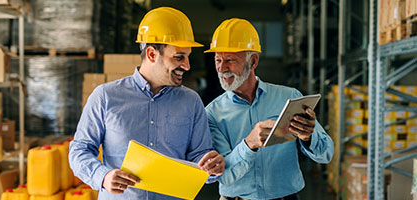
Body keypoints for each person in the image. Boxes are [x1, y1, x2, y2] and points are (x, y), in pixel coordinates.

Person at [69, 7, 225, 200]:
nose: (187, 66)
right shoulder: (105, 97)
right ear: (151, 54)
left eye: (188, 56)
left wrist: (210, 166)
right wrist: (103, 176)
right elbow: (79, 150)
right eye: (179, 57)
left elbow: (199, 157)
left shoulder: (191, 102)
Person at [204, 18, 334, 200]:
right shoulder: (212, 113)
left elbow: (326, 154)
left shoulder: (289, 97)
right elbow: (225, 176)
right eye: (218, 60)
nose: (222, 68)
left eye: (230, 60)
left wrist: (308, 137)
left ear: (254, 61)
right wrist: (249, 144)